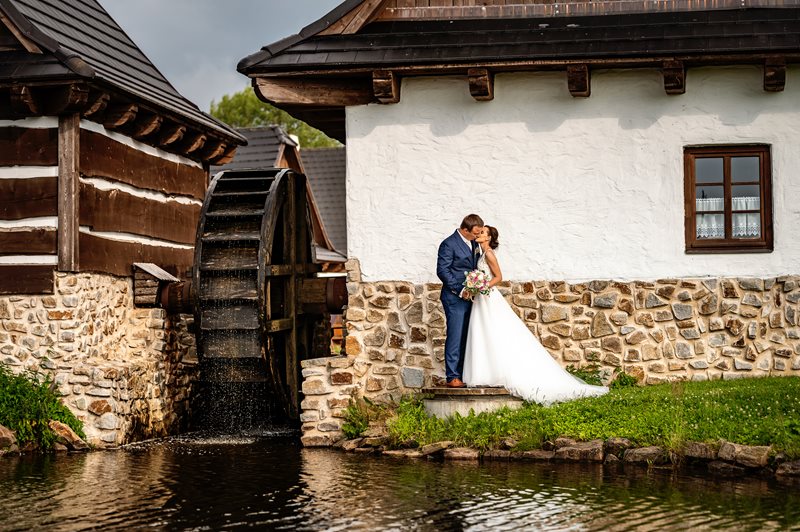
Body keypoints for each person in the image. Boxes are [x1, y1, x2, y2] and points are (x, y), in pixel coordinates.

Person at [463, 225, 609, 404]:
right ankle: (485, 371)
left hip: (488, 296)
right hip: (481, 299)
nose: (479, 234)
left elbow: (498, 277)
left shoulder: (489, 254)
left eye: (483, 232)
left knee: (493, 330)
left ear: (489, 239)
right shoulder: (480, 254)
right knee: (483, 331)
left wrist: (482, 286)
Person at [436, 214, 484, 388]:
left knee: (466, 335)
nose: (477, 236)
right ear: (465, 229)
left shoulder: (473, 243)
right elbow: (442, 271)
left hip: (471, 296)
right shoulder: (449, 244)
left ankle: (463, 373)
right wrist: (461, 289)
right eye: (475, 233)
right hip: (454, 297)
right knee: (455, 336)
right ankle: (452, 376)